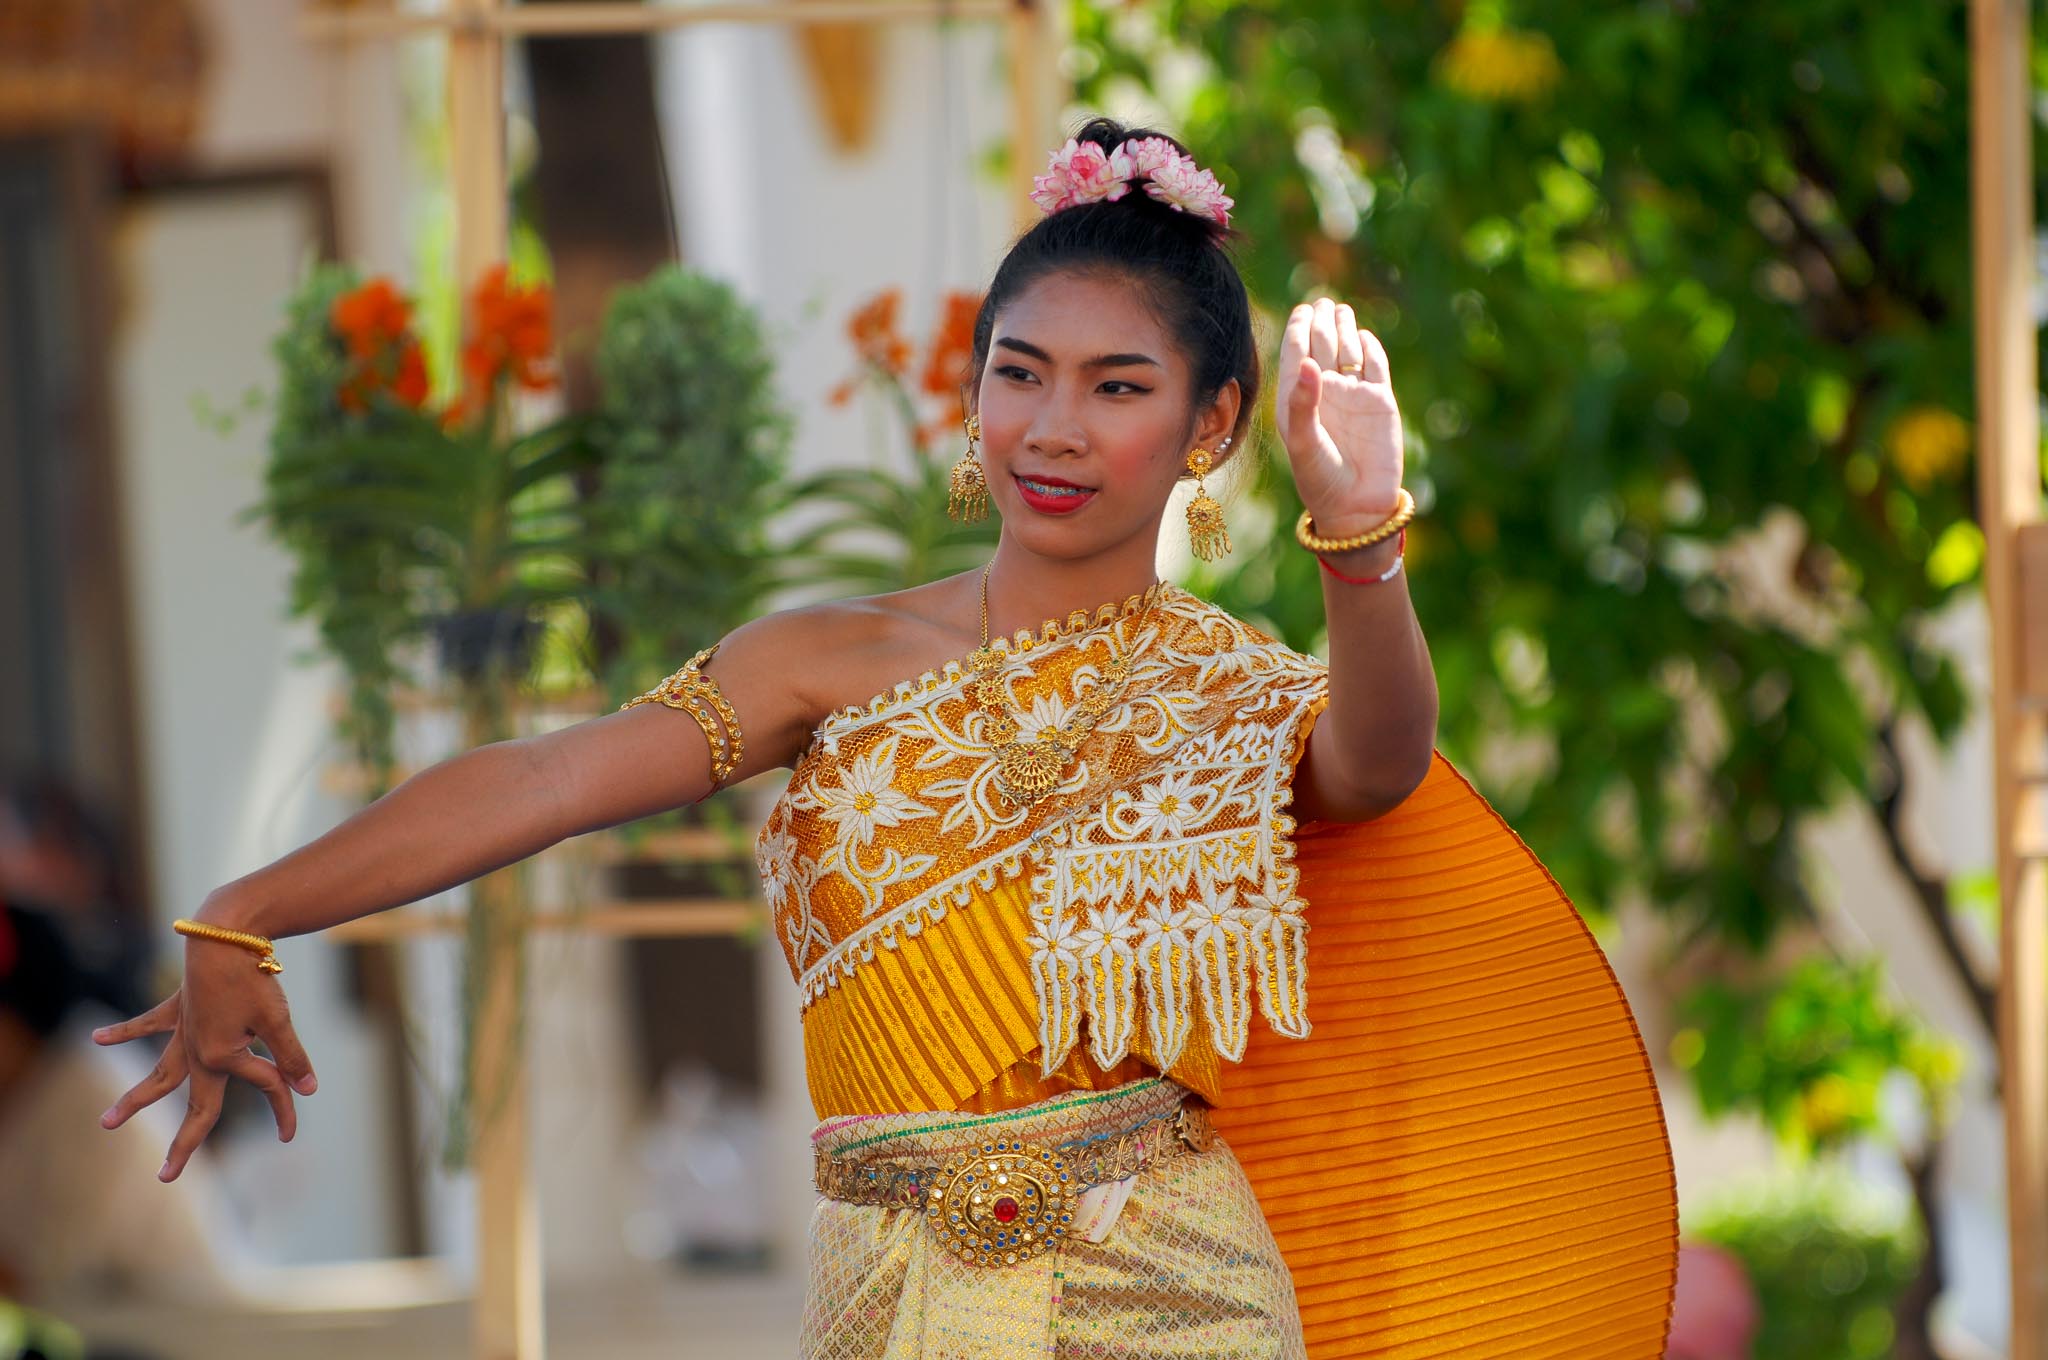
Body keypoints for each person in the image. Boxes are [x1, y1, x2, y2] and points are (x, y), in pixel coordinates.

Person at [95, 118, 1678, 1357]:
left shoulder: (1229, 686)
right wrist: (253, 906)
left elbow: (1378, 765)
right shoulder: (826, 661)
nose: (1055, 428)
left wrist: (1360, 537)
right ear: (974, 395)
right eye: (1021, 375)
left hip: (1178, 1289)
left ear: (1208, 427)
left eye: (1118, 387)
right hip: (889, 1288)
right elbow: (553, 774)